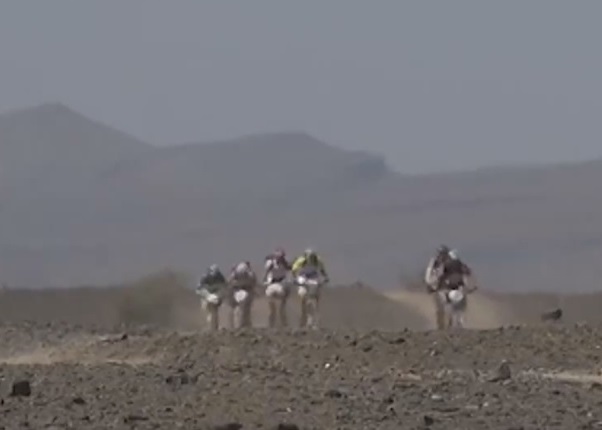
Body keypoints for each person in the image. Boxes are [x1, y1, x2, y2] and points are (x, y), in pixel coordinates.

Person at [196, 264, 227, 331]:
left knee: (215, 311)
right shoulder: (204, 277)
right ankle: (207, 326)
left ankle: (215, 326)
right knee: (207, 311)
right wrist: (206, 295)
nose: (214, 277)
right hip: (206, 295)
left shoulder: (220, 277)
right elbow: (198, 289)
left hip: (216, 295)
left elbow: (224, 288)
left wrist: (221, 297)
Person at [227, 261, 257, 328]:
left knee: (238, 309)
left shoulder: (235, 273)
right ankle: (242, 324)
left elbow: (229, 282)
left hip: (239, 291)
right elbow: (254, 282)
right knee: (244, 308)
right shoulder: (250, 273)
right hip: (242, 291)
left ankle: (239, 324)